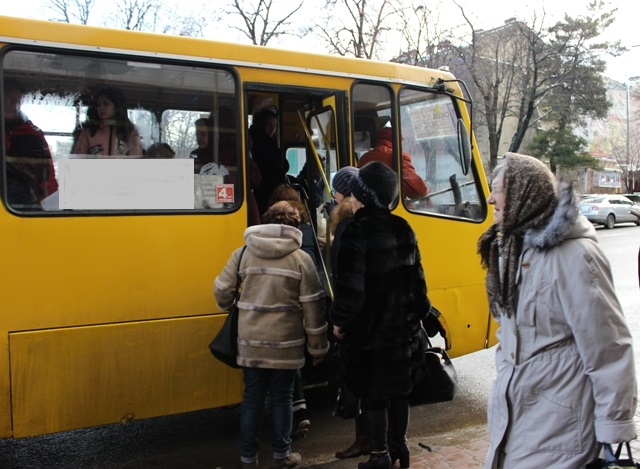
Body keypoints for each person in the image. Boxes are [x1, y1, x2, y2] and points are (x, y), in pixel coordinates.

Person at [478, 153, 637, 468]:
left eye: (499, 189)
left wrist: (612, 427)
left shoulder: (575, 255)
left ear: (526, 194)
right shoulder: (511, 250)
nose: (490, 197)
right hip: (517, 418)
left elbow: (609, 348)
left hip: (562, 427)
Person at [330, 161, 432, 469]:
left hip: (369, 332)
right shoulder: (403, 226)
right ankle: (399, 447)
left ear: (361, 194)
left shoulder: (355, 230)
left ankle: (378, 456)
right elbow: (418, 282)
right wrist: (418, 314)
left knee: (373, 394)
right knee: (399, 392)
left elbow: (351, 290)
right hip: (403, 330)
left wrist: (339, 321)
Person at [214, 200, 329, 469]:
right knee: (283, 398)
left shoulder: (243, 253)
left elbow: (221, 291)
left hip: (250, 344)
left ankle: (248, 458)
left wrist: (231, 306)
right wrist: (318, 348)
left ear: (267, 220)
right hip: (286, 345)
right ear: (296, 224)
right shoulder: (302, 259)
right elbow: (314, 308)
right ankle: (282, 456)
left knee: (252, 398)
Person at [266, 184, 324, 438]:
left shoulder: (262, 238)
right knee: (295, 355)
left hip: (277, 305)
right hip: (302, 300)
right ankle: (299, 411)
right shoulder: (309, 230)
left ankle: (295, 415)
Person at [4, 78, 58, 207]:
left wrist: (47, 203)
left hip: (27, 200)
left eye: (18, 100)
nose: (14, 104)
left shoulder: (32, 133)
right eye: (10, 99)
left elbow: (47, 173)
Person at [357, 126, 428, 200]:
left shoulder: (364, 158)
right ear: (397, 141)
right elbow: (416, 189)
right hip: (389, 205)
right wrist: (425, 189)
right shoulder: (398, 156)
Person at [73, 87, 142, 157]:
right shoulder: (89, 131)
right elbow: (78, 159)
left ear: (116, 107)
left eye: (106, 104)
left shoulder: (130, 132)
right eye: (98, 104)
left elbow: (135, 161)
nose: (101, 108)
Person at [249, 109, 289, 215]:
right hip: (266, 192)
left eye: (275, 126)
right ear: (261, 124)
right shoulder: (263, 144)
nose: (272, 129)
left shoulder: (260, 140)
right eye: (268, 125)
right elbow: (280, 167)